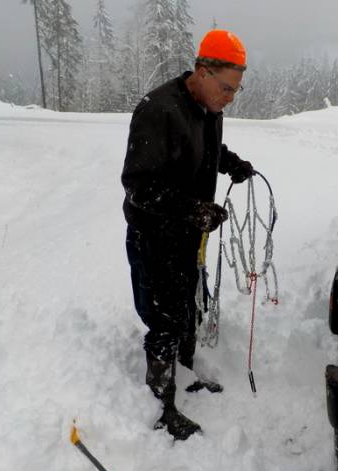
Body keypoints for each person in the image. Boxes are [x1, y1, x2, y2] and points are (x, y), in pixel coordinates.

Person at [121, 29, 255, 440]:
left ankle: (186, 371)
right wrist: (194, 209)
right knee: (163, 318)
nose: (230, 97)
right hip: (155, 236)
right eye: (227, 88)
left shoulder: (208, 108)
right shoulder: (158, 110)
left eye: (236, 90)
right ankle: (162, 406)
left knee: (188, 306)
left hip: (187, 234)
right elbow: (139, 185)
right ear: (202, 71)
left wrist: (230, 162)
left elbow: (201, 148)